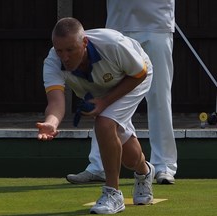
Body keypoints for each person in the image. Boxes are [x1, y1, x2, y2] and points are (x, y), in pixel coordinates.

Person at [36, 17, 155, 214]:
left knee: (104, 123)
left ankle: (113, 194)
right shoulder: (52, 62)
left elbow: (139, 73)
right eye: (59, 50)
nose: (64, 57)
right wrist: (51, 123)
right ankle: (144, 172)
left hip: (134, 76)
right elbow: (56, 102)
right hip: (100, 89)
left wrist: (105, 103)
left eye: (70, 50)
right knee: (130, 159)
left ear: (84, 43)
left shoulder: (113, 45)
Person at [67, 0, 177, 185]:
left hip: (157, 24)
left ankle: (164, 165)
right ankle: (98, 165)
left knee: (159, 97)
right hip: (118, 26)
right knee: (104, 96)